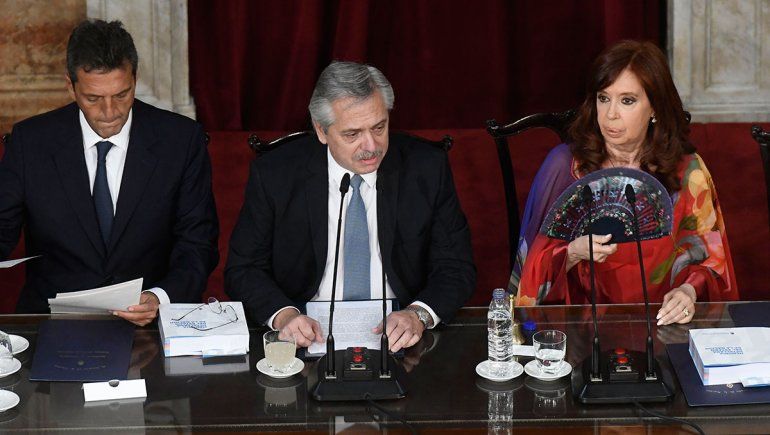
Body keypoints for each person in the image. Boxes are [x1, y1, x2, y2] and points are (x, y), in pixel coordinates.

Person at [225, 61, 475, 352]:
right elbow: (243, 269)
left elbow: (456, 266)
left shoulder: (426, 168)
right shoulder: (275, 174)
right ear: (321, 131)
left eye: (379, 127)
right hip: (306, 331)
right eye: (352, 134)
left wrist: (418, 313)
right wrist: (284, 315)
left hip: (401, 336)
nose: (371, 146)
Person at [0, 20, 219, 325]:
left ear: (134, 79)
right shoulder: (31, 142)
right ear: (70, 86)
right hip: (52, 321)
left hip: (148, 322)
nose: (110, 112)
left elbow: (198, 242)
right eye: (93, 98)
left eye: (121, 94)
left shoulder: (180, 140)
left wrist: (160, 296)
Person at [509, 40, 737, 325]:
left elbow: (710, 260)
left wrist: (687, 290)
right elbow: (528, 275)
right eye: (603, 98)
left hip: (664, 321)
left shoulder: (688, 171)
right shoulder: (565, 165)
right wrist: (571, 254)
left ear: (655, 107)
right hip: (581, 328)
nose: (610, 114)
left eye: (627, 100)